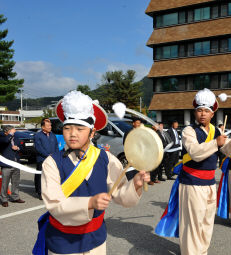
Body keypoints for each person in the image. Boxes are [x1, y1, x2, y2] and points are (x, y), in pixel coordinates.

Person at [32, 91, 149, 255]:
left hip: (96, 239)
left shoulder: (105, 158)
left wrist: (135, 184)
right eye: (67, 128)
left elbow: (121, 194)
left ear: (92, 133)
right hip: (63, 242)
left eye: (80, 129)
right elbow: (54, 204)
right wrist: (89, 203)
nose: (72, 134)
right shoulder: (52, 162)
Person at [179, 88, 231, 254]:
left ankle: (202, 252)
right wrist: (216, 143)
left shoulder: (217, 131)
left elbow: (228, 151)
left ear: (212, 114)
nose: (202, 114)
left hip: (210, 183)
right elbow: (195, 153)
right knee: (193, 224)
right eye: (199, 110)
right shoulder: (188, 131)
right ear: (195, 113)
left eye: (206, 111)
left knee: (207, 222)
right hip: (192, 183)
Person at [0, 125, 25, 207]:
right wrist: (10, 134)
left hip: (16, 162)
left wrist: (17, 148)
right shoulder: (3, 137)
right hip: (6, 164)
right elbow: (6, 141)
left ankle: (15, 197)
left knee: (16, 182)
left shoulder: (16, 138)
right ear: (7, 131)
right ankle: (4, 199)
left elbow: (22, 147)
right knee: (5, 183)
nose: (14, 131)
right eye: (12, 130)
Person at [34, 118, 59, 200]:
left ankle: (49, 192)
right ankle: (40, 192)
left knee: (50, 176)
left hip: (52, 159)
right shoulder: (38, 135)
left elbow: (56, 146)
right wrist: (47, 155)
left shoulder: (52, 135)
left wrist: (56, 156)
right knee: (41, 176)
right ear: (43, 127)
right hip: (42, 159)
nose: (50, 127)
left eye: (50, 125)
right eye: (48, 126)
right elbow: (38, 148)